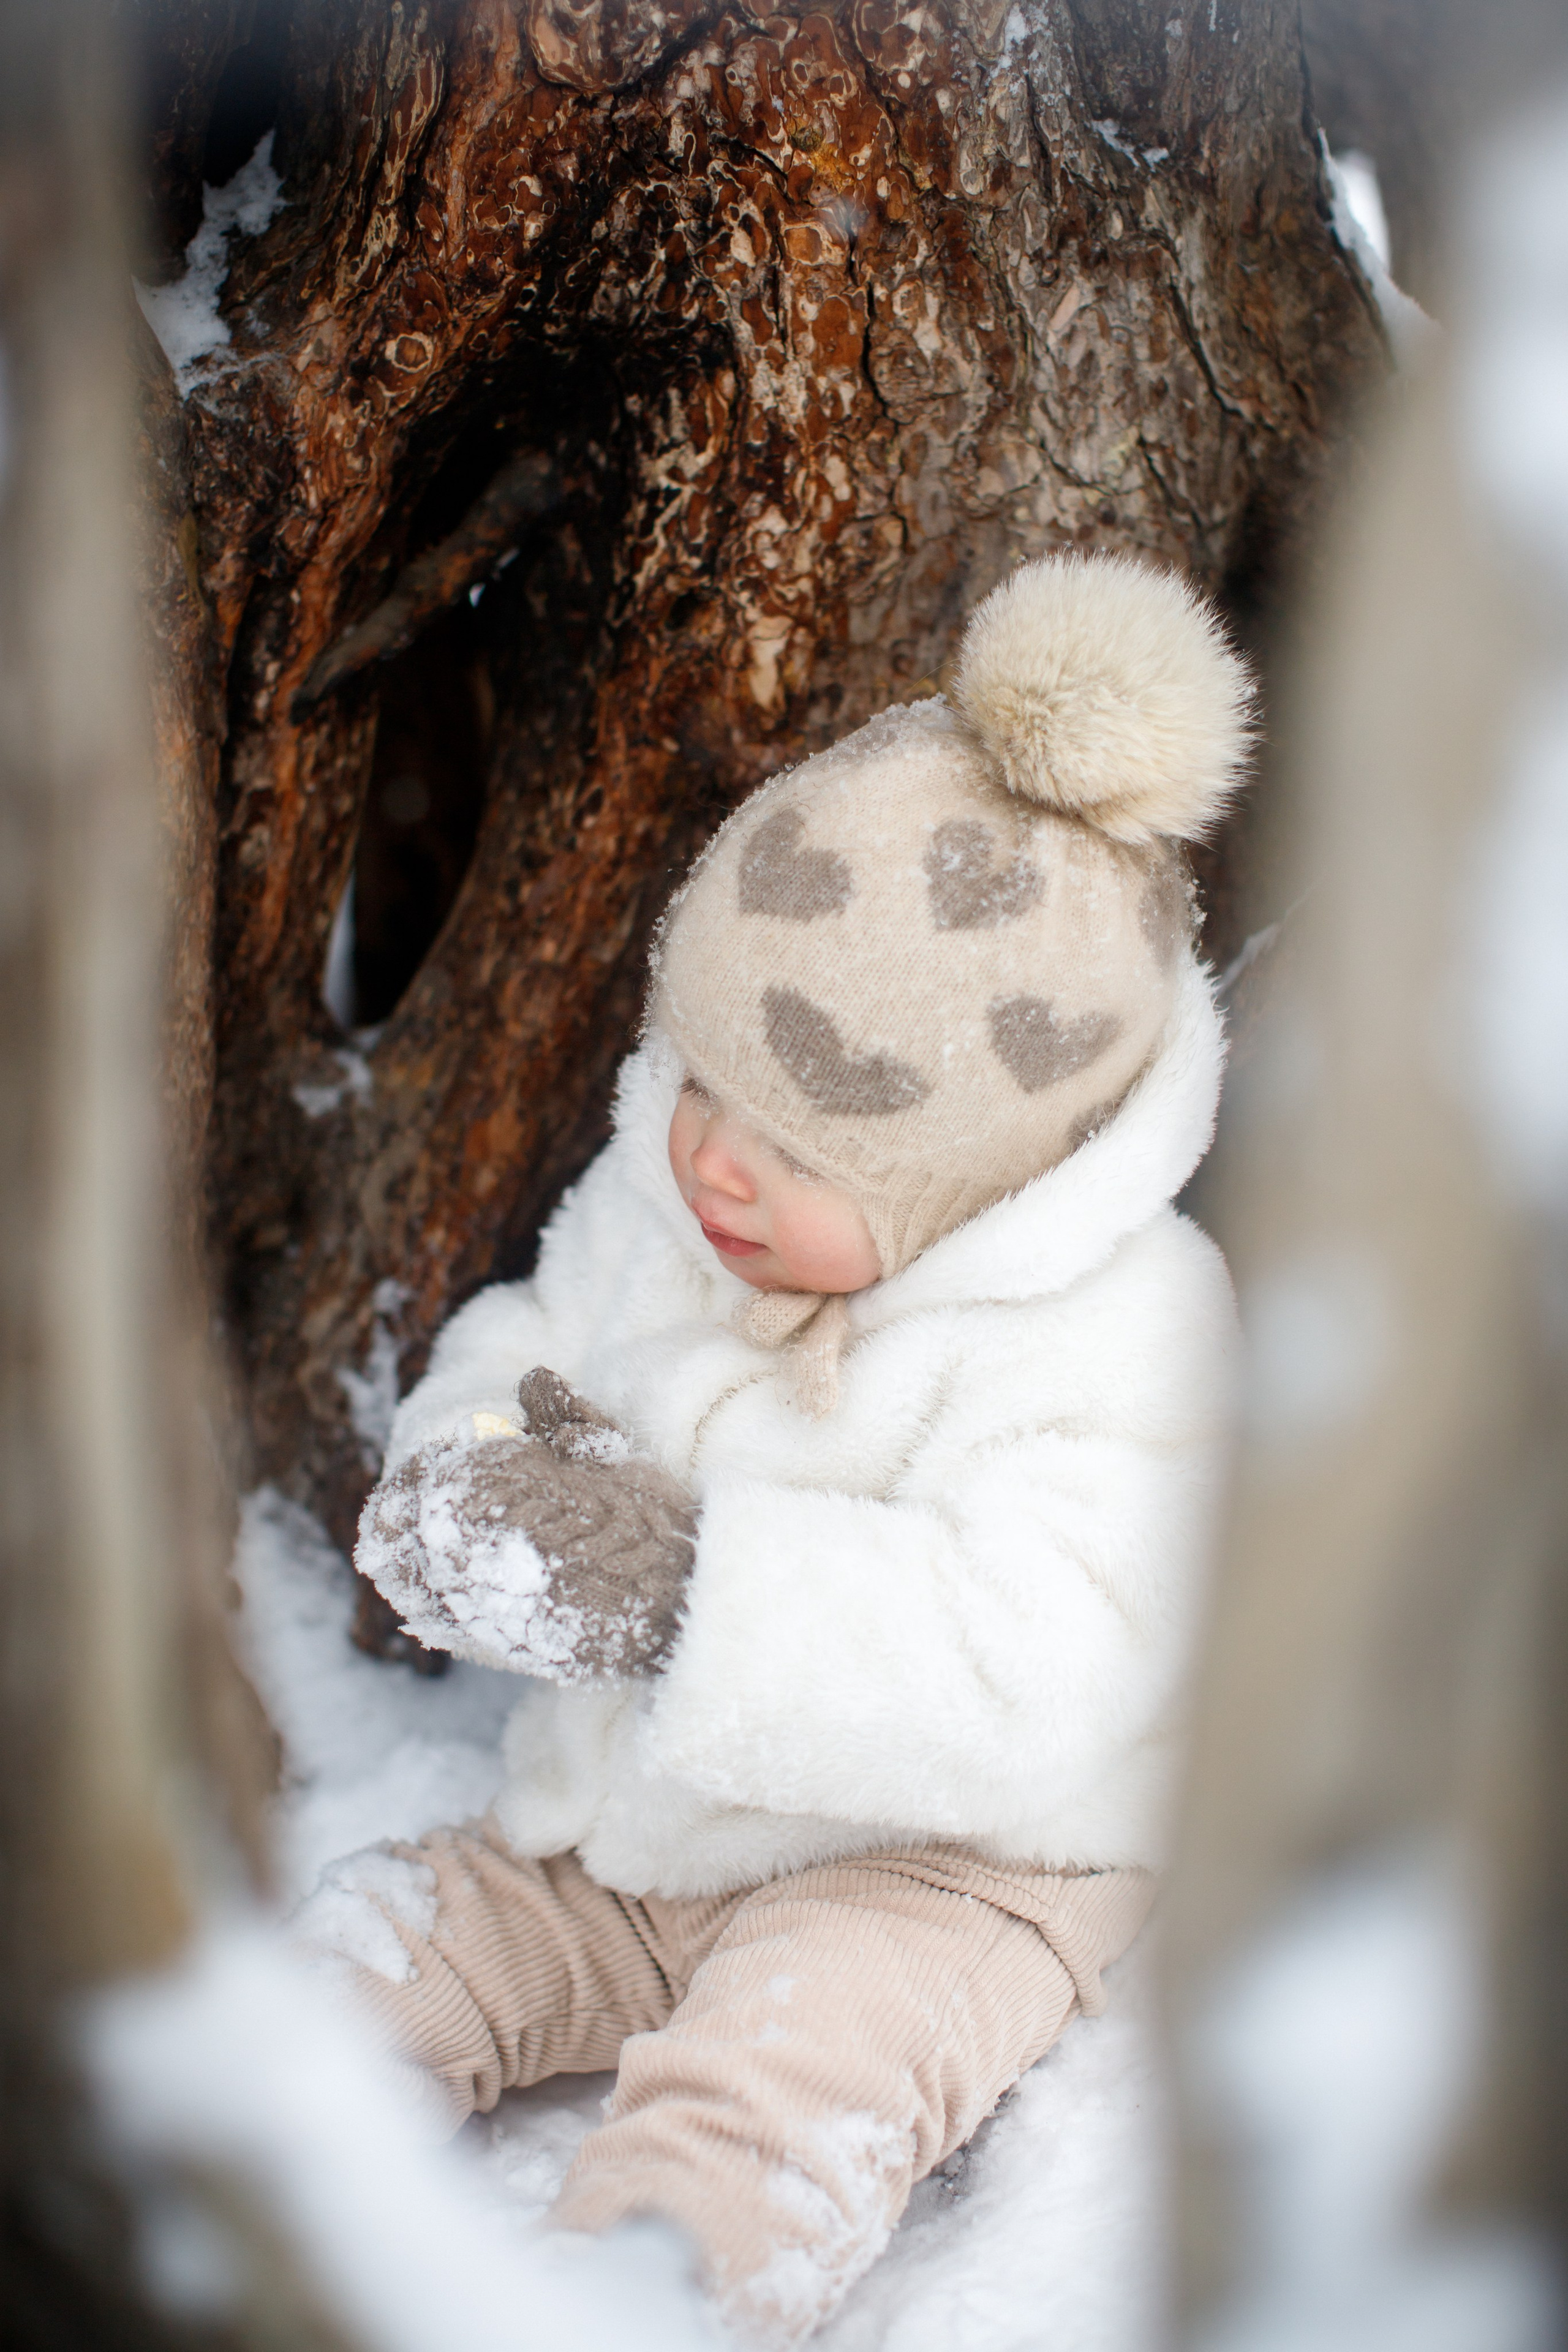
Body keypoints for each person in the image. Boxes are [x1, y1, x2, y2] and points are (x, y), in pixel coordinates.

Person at [298, 550, 1247, 2345]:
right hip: (634, 1809)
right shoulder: (682, 1205)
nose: (711, 1163)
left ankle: (635, 2307)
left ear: (981, 1184)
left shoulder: (1123, 1335)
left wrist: (678, 1591)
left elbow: (1045, 1652)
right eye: (707, 1082)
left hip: (946, 1866)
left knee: (769, 2107)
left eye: (794, 1145)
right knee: (391, 1950)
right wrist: (475, 1477)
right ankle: (228, 2183)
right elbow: (535, 1334)